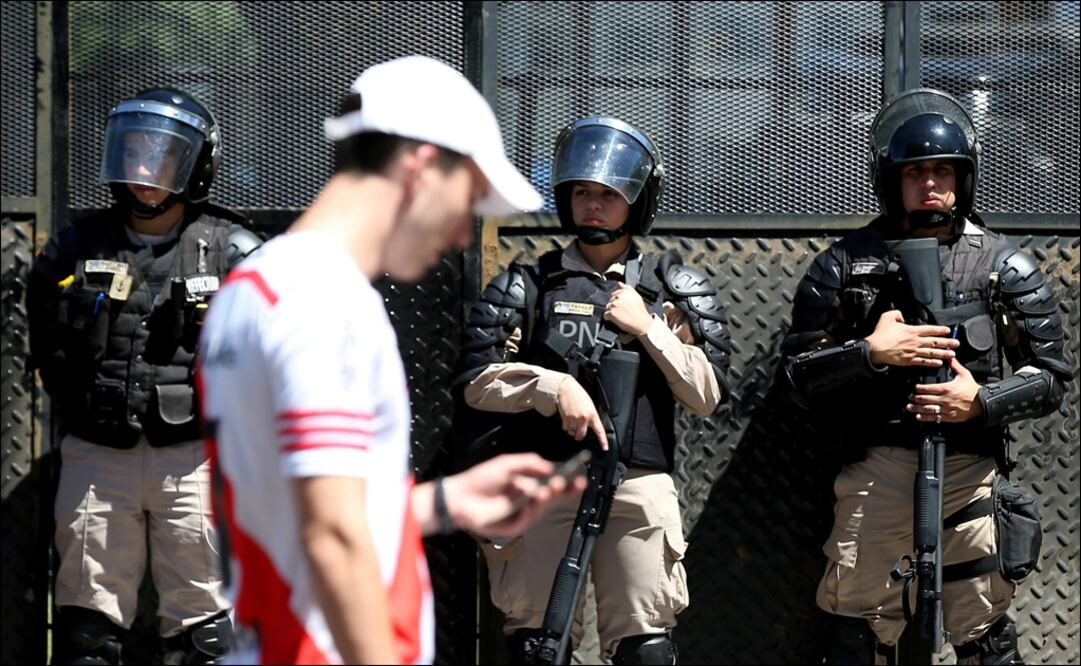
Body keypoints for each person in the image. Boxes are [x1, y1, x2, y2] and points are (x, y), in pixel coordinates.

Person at [196, 55, 587, 666]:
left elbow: (296, 510)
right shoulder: (324, 300)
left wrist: (445, 502)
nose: (464, 234)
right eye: (467, 200)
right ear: (421, 166)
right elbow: (332, 536)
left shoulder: (256, 286)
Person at [781, 88, 1071, 664]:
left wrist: (981, 401)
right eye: (915, 172)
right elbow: (795, 377)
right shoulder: (844, 264)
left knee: (986, 636)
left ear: (965, 178)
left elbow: (1051, 377)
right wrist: (870, 353)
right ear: (891, 179)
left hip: (969, 471)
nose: (930, 184)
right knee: (855, 633)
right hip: (878, 470)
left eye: (943, 171)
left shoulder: (1003, 264)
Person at [454, 116, 730, 664]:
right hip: (546, 481)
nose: (593, 205)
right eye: (582, 192)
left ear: (637, 200)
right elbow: (475, 383)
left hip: (637, 484)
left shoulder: (675, 289)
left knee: (645, 648)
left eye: (608, 194)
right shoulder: (527, 286)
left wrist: (648, 328)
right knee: (538, 645)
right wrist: (551, 385)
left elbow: (706, 395)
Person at [28, 88, 262, 664]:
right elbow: (46, 344)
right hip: (97, 454)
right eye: (132, 152)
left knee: (208, 633)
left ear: (195, 164)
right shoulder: (75, 247)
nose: (144, 170)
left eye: (161, 155)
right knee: (86, 633)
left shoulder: (236, 251)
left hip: (197, 459)